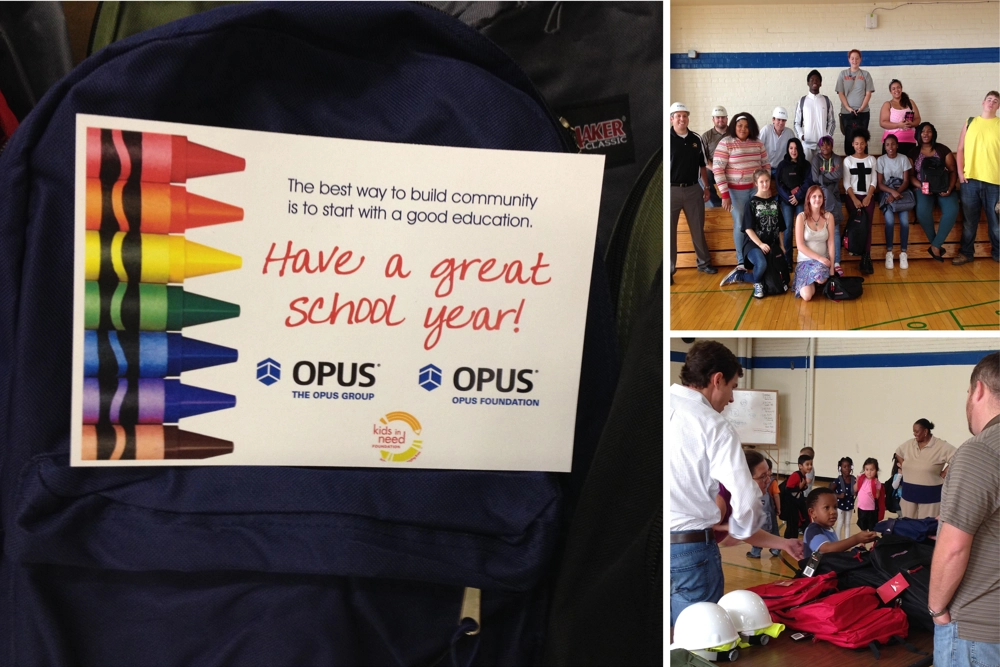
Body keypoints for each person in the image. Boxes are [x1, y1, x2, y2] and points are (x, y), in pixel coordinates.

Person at [669, 341, 804, 626]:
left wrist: (765, 537)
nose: (731, 399)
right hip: (690, 551)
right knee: (699, 636)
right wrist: (740, 528)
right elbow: (745, 501)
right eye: (731, 387)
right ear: (716, 380)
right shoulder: (712, 424)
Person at [928, 351, 1000, 666]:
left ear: (979, 390)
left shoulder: (980, 450)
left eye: (968, 392)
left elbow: (954, 548)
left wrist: (937, 610)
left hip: (976, 631)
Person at [713, 112, 770, 271]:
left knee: (758, 224)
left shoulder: (757, 143)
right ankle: (741, 262)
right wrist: (725, 195)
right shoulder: (726, 143)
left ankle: (757, 257)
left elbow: (766, 166)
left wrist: (764, 188)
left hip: (755, 191)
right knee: (740, 224)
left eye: (746, 126)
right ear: (734, 126)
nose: (743, 129)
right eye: (740, 125)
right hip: (734, 194)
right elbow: (718, 169)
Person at [718, 169, 785, 299]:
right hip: (753, 244)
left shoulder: (775, 203)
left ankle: (746, 277)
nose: (765, 184)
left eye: (766, 181)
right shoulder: (751, 203)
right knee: (761, 265)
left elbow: (780, 228)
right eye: (761, 182)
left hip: (770, 245)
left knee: (771, 273)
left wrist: (782, 246)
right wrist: (760, 244)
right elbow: (748, 229)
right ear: (756, 183)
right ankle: (750, 279)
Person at [670, 102, 717, 279]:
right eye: (678, 116)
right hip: (671, 191)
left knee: (698, 229)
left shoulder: (696, 139)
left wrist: (706, 187)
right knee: (669, 233)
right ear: (672, 119)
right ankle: (669, 270)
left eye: (684, 115)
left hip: (693, 190)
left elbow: (703, 166)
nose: (682, 119)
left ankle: (704, 264)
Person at [954, 90, 1000, 265]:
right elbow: (960, 149)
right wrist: (960, 172)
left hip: (995, 183)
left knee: (996, 224)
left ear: (998, 106)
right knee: (969, 222)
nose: (991, 102)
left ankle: (998, 253)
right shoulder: (970, 122)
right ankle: (966, 253)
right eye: (989, 99)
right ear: (983, 102)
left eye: (995, 101)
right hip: (970, 181)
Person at [909, 122, 959, 262]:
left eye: (929, 131)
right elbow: (910, 175)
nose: (925, 134)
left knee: (952, 210)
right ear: (918, 134)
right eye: (922, 131)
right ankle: (935, 245)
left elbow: (953, 170)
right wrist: (922, 186)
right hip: (923, 190)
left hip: (943, 188)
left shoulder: (943, 150)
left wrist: (949, 187)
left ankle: (935, 245)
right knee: (922, 212)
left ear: (933, 134)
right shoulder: (913, 153)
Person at [894, 418, 957, 519]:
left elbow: (957, 456)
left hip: (930, 495)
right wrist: (904, 464)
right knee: (908, 526)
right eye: (913, 431)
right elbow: (898, 452)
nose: (914, 434)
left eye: (916, 431)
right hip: (908, 493)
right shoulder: (910, 444)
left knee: (927, 527)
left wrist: (945, 472)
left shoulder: (940, 445)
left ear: (925, 431)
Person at [802, 488, 877, 560]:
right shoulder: (813, 530)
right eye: (826, 508)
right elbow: (827, 549)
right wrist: (856, 539)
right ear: (812, 512)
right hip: (819, 572)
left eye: (835, 507)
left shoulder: (829, 528)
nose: (833, 512)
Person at [876, 134, 914, 269]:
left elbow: (906, 181)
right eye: (887, 145)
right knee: (890, 221)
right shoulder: (880, 160)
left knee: (904, 222)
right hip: (887, 194)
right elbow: (880, 184)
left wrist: (897, 193)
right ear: (884, 147)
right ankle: (889, 252)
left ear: (897, 145)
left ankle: (903, 253)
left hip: (901, 193)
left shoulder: (903, 159)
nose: (890, 147)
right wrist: (892, 193)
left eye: (893, 144)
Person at [842, 128, 878, 273]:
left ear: (866, 143)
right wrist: (855, 199)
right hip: (853, 197)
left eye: (862, 143)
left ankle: (866, 257)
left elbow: (874, 180)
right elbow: (846, 182)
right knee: (857, 226)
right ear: (852, 144)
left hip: (868, 197)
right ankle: (855, 251)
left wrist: (869, 196)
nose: (859, 146)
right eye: (856, 143)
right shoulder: (848, 160)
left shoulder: (871, 160)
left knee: (867, 225)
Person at [793, 186, 836, 301]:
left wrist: (832, 269)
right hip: (805, 261)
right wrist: (820, 258)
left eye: (820, 196)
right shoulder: (801, 217)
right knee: (807, 297)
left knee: (820, 277)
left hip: (822, 262)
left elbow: (831, 244)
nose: (817, 199)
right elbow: (800, 246)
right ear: (808, 199)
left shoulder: (829, 217)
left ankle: (818, 281)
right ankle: (812, 283)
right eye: (814, 196)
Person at [811, 135, 845, 275]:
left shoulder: (837, 158)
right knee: (820, 231)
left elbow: (839, 174)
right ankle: (823, 260)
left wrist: (822, 176)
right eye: (822, 145)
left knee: (835, 230)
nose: (825, 147)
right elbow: (814, 178)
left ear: (832, 145)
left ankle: (836, 261)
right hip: (820, 199)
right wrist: (829, 175)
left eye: (828, 144)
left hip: (835, 197)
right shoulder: (816, 159)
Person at [776, 138, 814, 256]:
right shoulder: (782, 165)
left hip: (801, 200)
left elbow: (809, 182)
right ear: (788, 149)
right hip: (786, 201)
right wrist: (789, 197)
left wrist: (798, 195)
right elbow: (779, 184)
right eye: (791, 148)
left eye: (796, 148)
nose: (793, 151)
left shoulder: (806, 164)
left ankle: (802, 257)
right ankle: (788, 259)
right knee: (787, 230)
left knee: (801, 228)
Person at [835, 49, 875, 155]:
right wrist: (849, 108)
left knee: (862, 139)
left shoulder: (866, 74)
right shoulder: (843, 74)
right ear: (849, 59)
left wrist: (861, 108)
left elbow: (868, 93)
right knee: (849, 139)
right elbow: (840, 93)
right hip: (847, 113)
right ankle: (849, 164)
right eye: (852, 58)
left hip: (863, 113)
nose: (854, 60)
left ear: (860, 59)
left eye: (857, 58)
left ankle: (863, 162)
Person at [744, 454, 782, 559]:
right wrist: (778, 508)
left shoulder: (769, 483)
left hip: (765, 512)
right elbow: (776, 496)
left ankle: (757, 551)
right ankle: (774, 549)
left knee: (762, 530)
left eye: (768, 473)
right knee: (773, 530)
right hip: (769, 512)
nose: (768, 479)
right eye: (763, 475)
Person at [794, 69, 836, 162]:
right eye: (812, 79)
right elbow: (796, 123)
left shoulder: (826, 100)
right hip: (807, 145)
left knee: (822, 172)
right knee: (807, 172)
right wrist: (802, 136)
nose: (815, 81)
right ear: (808, 83)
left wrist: (827, 137)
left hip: (822, 146)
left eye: (817, 79)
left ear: (820, 83)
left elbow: (832, 122)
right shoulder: (802, 101)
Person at [879, 79, 921, 156]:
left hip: (910, 140)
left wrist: (911, 124)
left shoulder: (910, 102)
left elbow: (918, 119)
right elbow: (883, 123)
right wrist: (899, 125)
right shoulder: (887, 104)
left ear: (901, 88)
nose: (896, 90)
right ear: (890, 91)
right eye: (893, 88)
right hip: (892, 142)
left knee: (909, 165)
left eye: (898, 87)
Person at [702, 105, 729, 208]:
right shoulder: (706, 136)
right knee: (703, 174)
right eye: (718, 117)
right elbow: (703, 158)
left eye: (723, 117)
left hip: (731, 168)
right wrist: (715, 169)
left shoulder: (735, 133)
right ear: (713, 119)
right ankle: (717, 203)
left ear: (727, 118)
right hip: (713, 169)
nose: (720, 120)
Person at [780, 454, 813, 538]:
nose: (810, 466)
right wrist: (800, 487)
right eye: (807, 464)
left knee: (801, 521)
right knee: (792, 525)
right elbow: (788, 489)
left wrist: (802, 488)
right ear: (800, 466)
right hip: (791, 505)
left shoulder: (803, 475)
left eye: (811, 464)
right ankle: (788, 542)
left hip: (796, 502)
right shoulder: (795, 475)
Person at [758, 107, 795, 179]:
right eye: (778, 120)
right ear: (773, 120)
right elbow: (757, 148)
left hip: (781, 168)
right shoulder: (766, 130)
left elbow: (794, 151)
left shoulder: (789, 133)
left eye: (783, 120)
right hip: (765, 168)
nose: (781, 123)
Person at [830, 457, 856, 541]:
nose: (847, 469)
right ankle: (837, 541)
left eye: (849, 466)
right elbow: (830, 491)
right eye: (844, 467)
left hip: (849, 505)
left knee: (847, 523)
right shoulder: (838, 480)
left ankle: (847, 541)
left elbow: (857, 490)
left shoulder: (853, 479)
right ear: (840, 468)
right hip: (840, 505)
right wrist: (838, 495)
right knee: (840, 523)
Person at [854, 458, 882, 532]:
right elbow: (855, 490)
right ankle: (863, 543)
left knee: (872, 528)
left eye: (872, 470)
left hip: (871, 510)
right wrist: (857, 481)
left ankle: (874, 542)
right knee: (863, 528)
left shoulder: (877, 482)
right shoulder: (862, 479)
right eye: (866, 469)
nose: (869, 472)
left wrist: (874, 486)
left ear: (876, 471)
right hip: (861, 508)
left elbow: (877, 496)